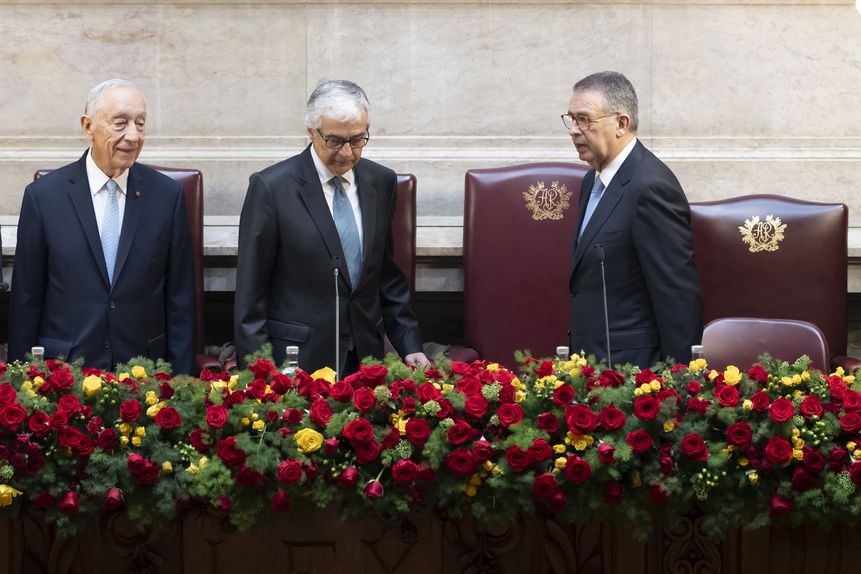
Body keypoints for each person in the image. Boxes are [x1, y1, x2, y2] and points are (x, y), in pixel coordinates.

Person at [234, 79, 428, 375]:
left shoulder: (381, 182)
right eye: (335, 140)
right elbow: (251, 296)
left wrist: (410, 344)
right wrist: (259, 376)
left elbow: (385, 275)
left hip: (365, 360)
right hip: (297, 363)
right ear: (311, 132)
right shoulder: (271, 188)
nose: (348, 153)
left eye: (358, 139)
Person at [8, 79, 196, 374]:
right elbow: (26, 301)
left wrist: (182, 382)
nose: (133, 136)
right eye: (120, 123)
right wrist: (21, 383)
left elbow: (181, 300)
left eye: (141, 123)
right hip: (64, 378)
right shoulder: (44, 197)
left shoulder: (166, 197)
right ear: (87, 126)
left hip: (145, 378)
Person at [565, 71, 702, 368]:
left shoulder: (651, 188)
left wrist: (679, 384)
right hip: (595, 365)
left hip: (635, 375)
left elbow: (677, 298)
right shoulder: (592, 181)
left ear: (621, 123)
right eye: (571, 119)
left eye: (585, 119)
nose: (574, 130)